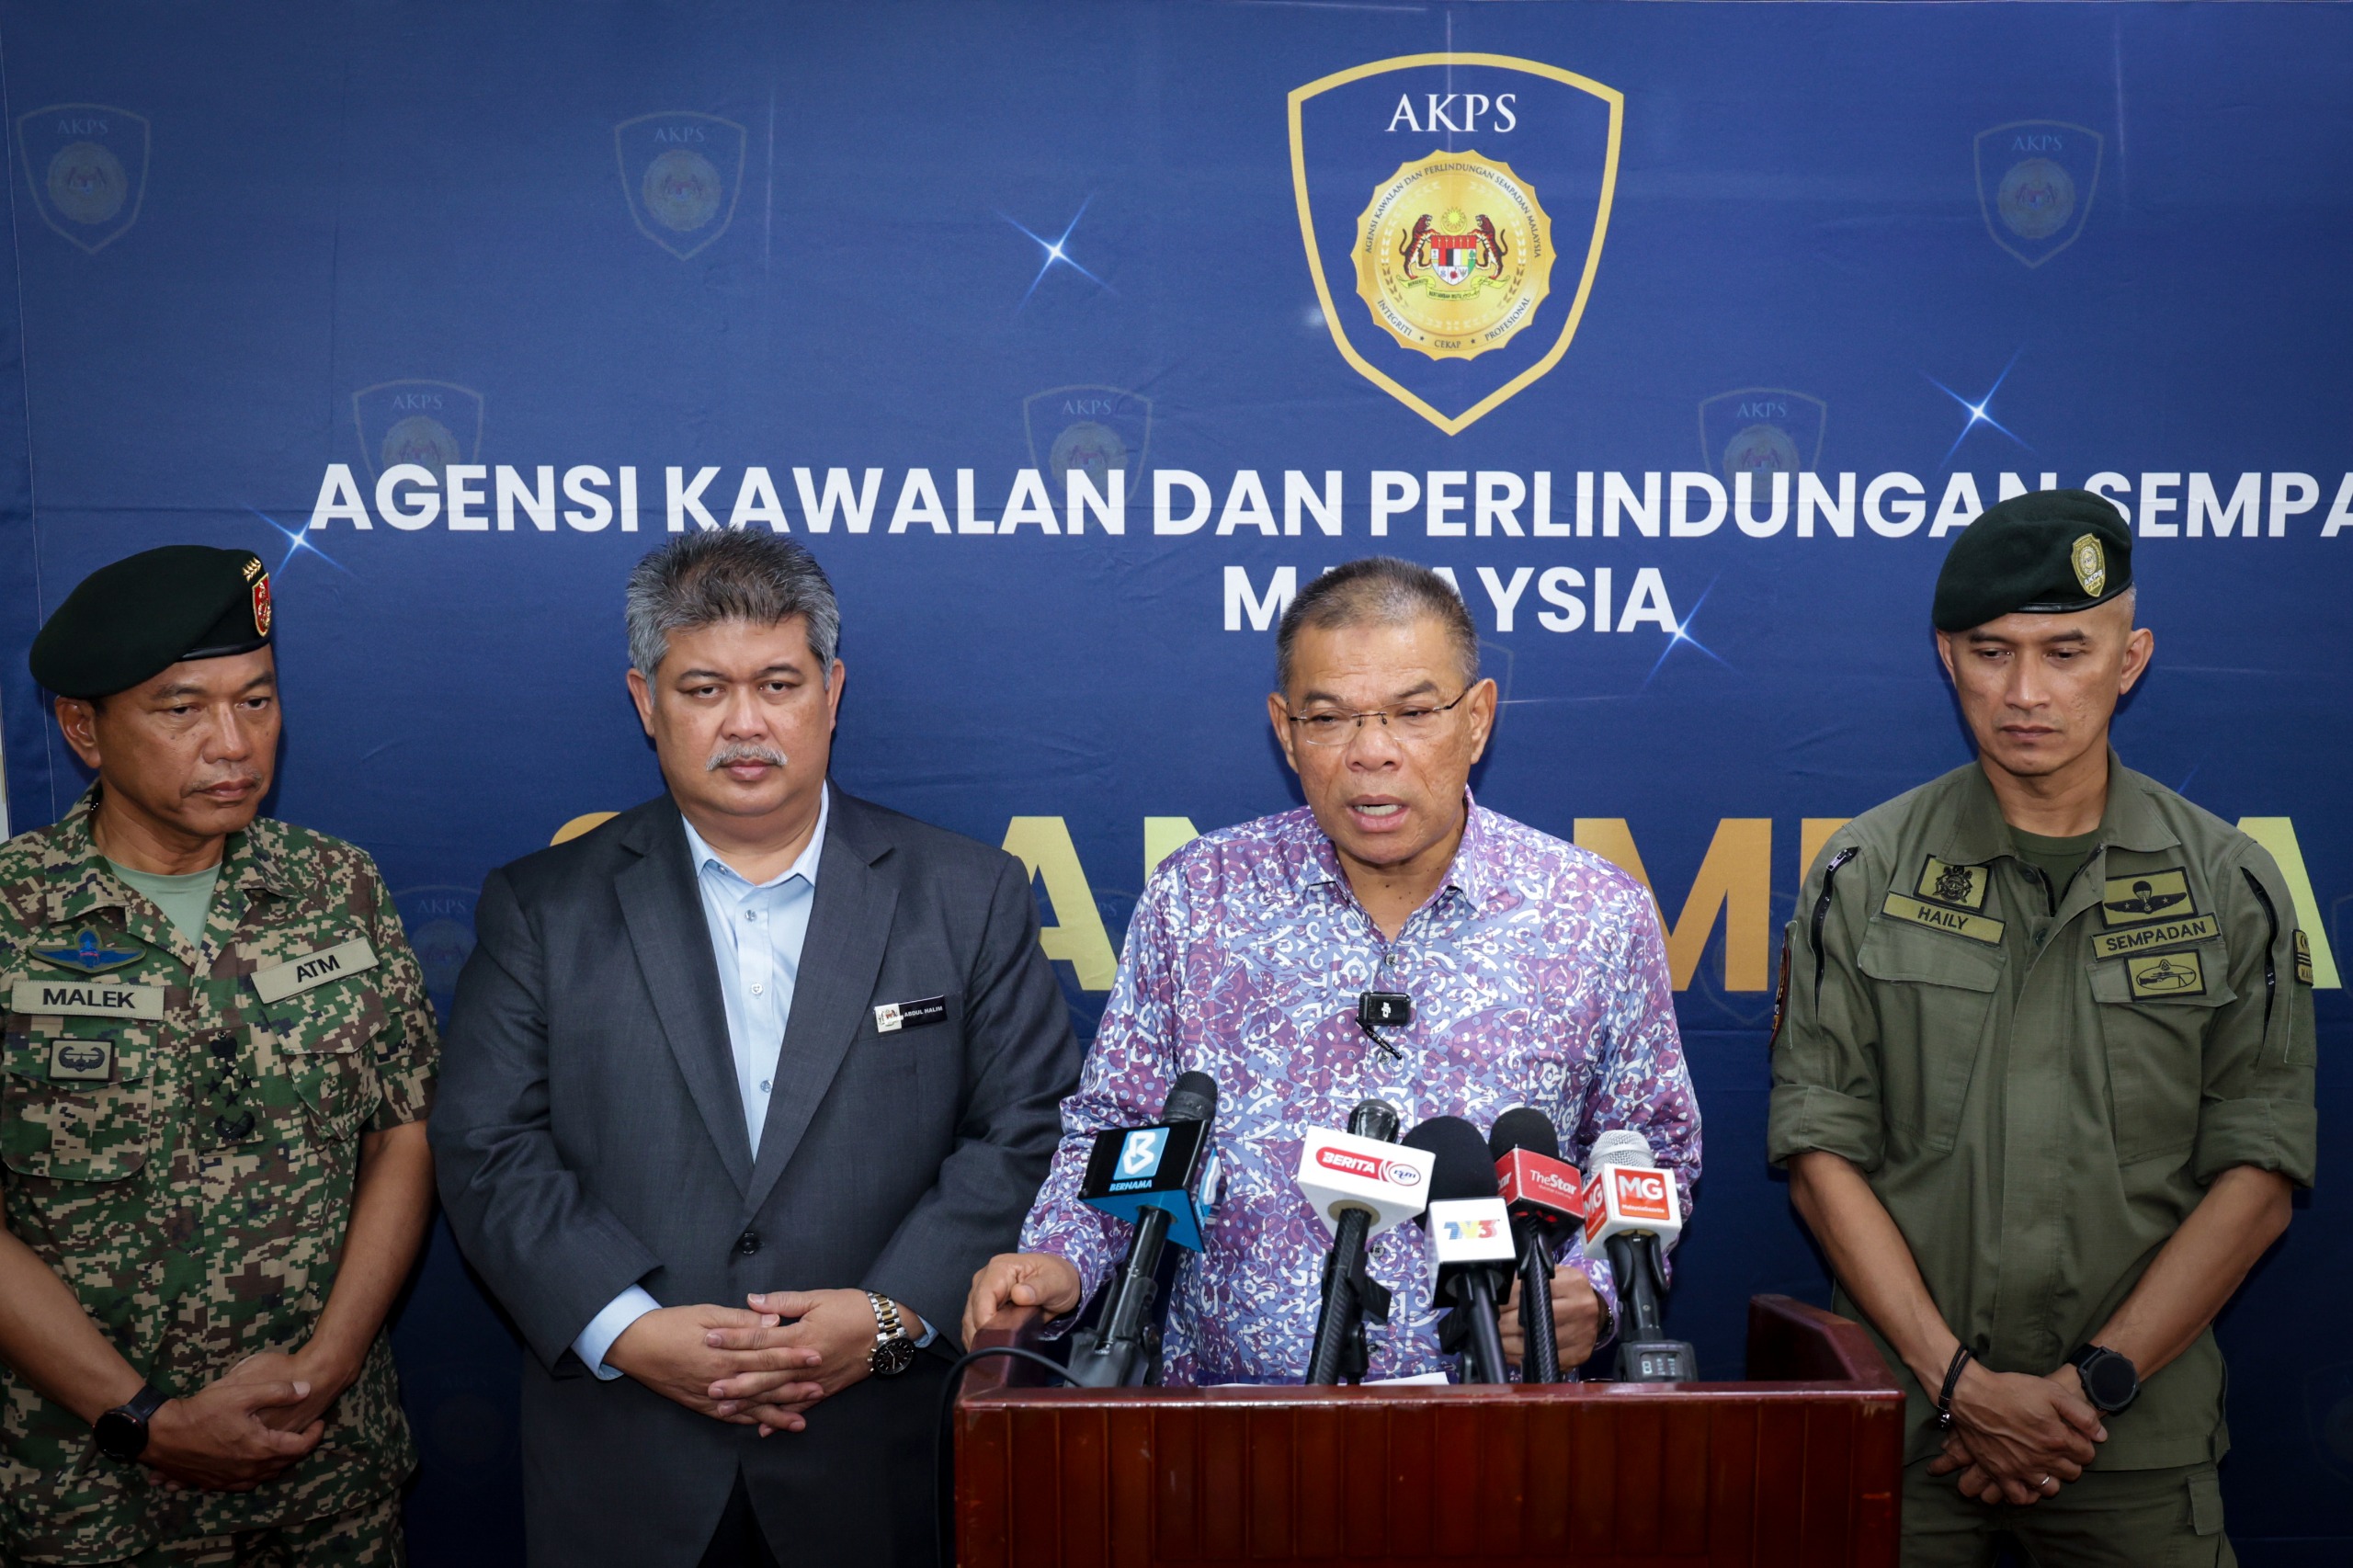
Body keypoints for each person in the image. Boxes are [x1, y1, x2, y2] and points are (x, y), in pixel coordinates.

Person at [431, 531, 1080, 1568]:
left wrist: (887, 1316)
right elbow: (487, 1146)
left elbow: (1027, 1126)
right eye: (704, 689)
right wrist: (627, 1329)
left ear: (832, 691)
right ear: (646, 702)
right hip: (628, 1457)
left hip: (878, 1453)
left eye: (778, 683)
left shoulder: (968, 894)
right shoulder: (543, 907)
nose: (745, 722)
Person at [964, 556, 1699, 1382]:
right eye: (1330, 719)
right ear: (1285, 730)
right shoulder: (1200, 897)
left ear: (1478, 719)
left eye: (1413, 713)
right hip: (1234, 1421)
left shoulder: (1593, 913)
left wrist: (1597, 1289)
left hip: (1502, 1423)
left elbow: (1653, 1148)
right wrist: (1062, 1258)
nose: (1372, 752)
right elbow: (1122, 1131)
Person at [1769, 492, 2316, 1566]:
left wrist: (2088, 1386)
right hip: (1909, 1439)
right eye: (1991, 651)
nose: (2025, 692)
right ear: (1946, 657)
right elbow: (1819, 1153)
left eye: (2066, 651)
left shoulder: (2230, 882)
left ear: (2130, 659)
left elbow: (2258, 1174)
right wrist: (1959, 1383)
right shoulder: (1862, 871)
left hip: (2131, 1438)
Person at [0, 546, 439, 1565]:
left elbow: (404, 1133)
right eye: (181, 709)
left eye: (257, 700)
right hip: (86, 1495)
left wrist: (325, 1370)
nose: (233, 744)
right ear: (83, 728)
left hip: (325, 1478)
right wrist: (143, 1418)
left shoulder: (338, 887)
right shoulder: (14, 914)